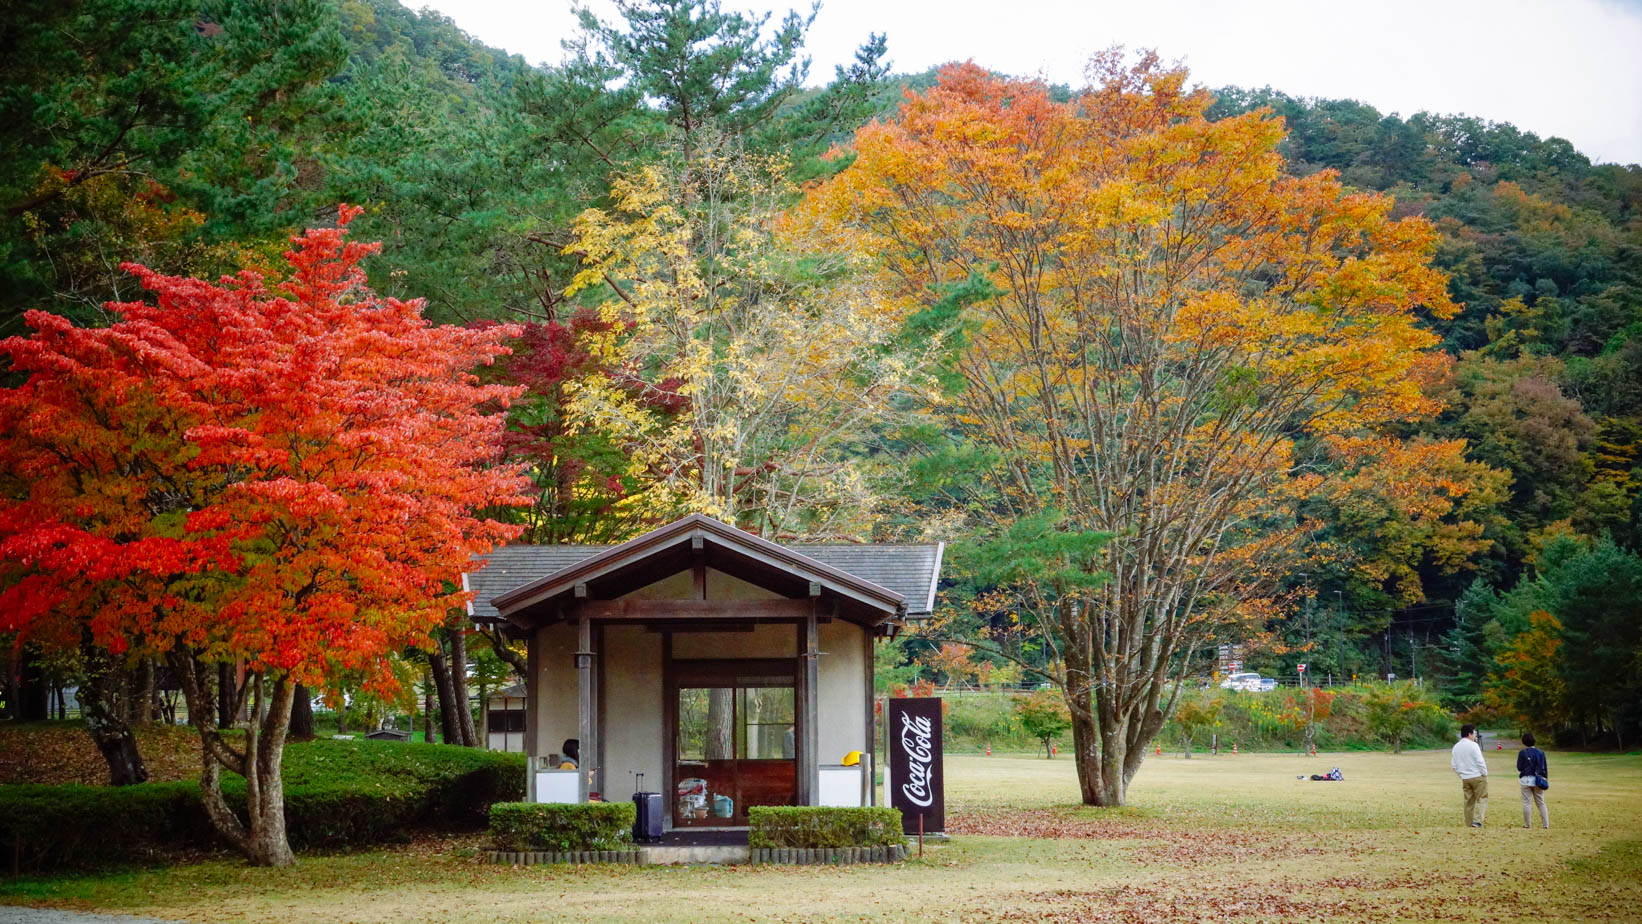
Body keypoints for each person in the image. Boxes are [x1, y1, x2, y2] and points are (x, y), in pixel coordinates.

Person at [1451, 724, 1488, 827]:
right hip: (1478, 776)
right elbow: (1480, 761)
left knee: (1469, 801)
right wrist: (1484, 773)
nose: (1475, 736)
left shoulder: (1456, 747)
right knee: (1481, 798)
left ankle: (1469, 822)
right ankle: (1477, 821)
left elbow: (1454, 765)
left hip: (1465, 778)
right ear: (1469, 733)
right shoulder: (1473, 745)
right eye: (1474, 733)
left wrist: (1461, 774)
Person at [1517, 732, 1550, 829]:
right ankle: (1545, 824)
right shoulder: (1541, 752)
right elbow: (1544, 767)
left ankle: (1527, 824)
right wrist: (1545, 778)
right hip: (1538, 780)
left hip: (1525, 779)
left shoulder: (1522, 753)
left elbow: (1519, 767)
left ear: (1524, 742)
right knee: (1540, 802)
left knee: (1527, 802)